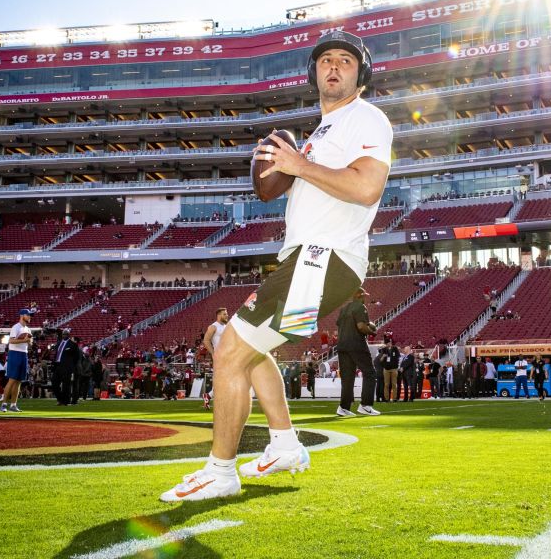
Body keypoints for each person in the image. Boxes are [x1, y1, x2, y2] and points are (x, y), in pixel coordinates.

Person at [161, 31, 393, 503]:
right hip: (308, 259)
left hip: (324, 257)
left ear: (360, 75)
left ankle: (220, 470)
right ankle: (285, 444)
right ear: (314, 73)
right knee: (246, 347)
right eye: (325, 59)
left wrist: (298, 165)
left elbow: (367, 188)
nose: (333, 66)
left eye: (345, 61)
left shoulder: (365, 117)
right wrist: (292, 165)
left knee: (229, 352)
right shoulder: (322, 131)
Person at [335, 289, 379, 417]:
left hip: (342, 345)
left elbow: (339, 324)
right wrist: (372, 331)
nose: (365, 298)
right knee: (370, 373)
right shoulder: (360, 306)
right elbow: (361, 326)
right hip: (356, 344)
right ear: (360, 296)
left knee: (347, 378)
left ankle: (343, 407)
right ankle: (365, 405)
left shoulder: (344, 309)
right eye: (364, 296)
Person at [0, 308, 35, 413]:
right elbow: (10, 340)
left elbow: (30, 343)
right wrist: (24, 340)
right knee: (12, 379)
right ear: (22, 315)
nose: (30, 317)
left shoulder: (28, 329)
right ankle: (3, 404)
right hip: (15, 353)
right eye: (28, 315)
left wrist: (29, 342)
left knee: (19, 381)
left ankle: (13, 405)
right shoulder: (16, 327)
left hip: (24, 354)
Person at [53, 330, 81, 406]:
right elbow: (56, 354)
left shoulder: (73, 344)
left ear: (68, 335)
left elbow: (77, 357)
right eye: (63, 334)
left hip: (66, 367)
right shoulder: (59, 343)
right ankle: (60, 398)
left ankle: (65, 401)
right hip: (57, 365)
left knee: (66, 384)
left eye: (65, 334)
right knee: (54, 383)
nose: (63, 335)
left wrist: (71, 365)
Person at [378, 336, 399, 402]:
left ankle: (395, 398)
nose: (389, 343)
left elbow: (398, 357)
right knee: (386, 384)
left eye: (390, 342)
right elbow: (380, 360)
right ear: (386, 343)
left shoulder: (395, 348)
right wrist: (383, 356)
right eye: (388, 342)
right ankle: (387, 399)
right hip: (386, 369)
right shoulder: (383, 349)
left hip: (394, 369)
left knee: (394, 384)